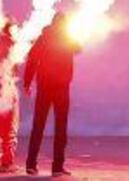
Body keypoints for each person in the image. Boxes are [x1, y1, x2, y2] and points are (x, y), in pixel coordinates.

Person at [23, 13, 81, 177]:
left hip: (46, 86)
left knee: (39, 125)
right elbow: (79, 48)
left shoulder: (45, 37)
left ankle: (32, 164)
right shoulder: (63, 38)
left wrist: (27, 82)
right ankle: (56, 167)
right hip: (59, 88)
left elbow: (32, 59)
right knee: (59, 127)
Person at [0, 19, 18, 174]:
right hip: (6, 87)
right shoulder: (11, 44)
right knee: (9, 126)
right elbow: (13, 67)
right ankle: (6, 162)